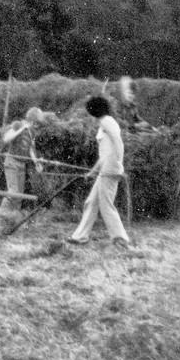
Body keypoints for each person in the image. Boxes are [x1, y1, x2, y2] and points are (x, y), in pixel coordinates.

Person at [67, 96, 130, 248]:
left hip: (111, 168)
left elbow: (118, 142)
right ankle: (80, 236)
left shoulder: (106, 121)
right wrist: (92, 172)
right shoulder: (104, 123)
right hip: (106, 166)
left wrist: (119, 164)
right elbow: (104, 155)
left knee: (106, 205)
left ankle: (120, 239)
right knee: (91, 202)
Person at [0, 106, 45, 213]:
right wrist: (21, 129)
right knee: (13, 192)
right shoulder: (17, 124)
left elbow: (30, 149)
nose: (37, 125)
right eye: (36, 122)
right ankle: (0, 215)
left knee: (19, 196)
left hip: (21, 165)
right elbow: (6, 139)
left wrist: (36, 162)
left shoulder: (32, 132)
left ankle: (14, 218)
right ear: (33, 120)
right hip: (12, 162)